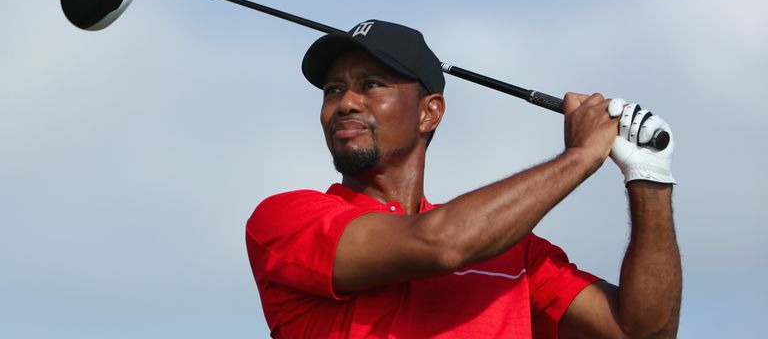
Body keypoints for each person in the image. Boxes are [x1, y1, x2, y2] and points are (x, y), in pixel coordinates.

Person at [245, 20, 681, 338]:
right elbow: (441, 244)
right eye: (333, 90)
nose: (346, 103)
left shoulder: (514, 251)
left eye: (372, 84)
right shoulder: (284, 219)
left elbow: (643, 331)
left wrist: (649, 179)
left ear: (429, 112)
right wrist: (581, 157)